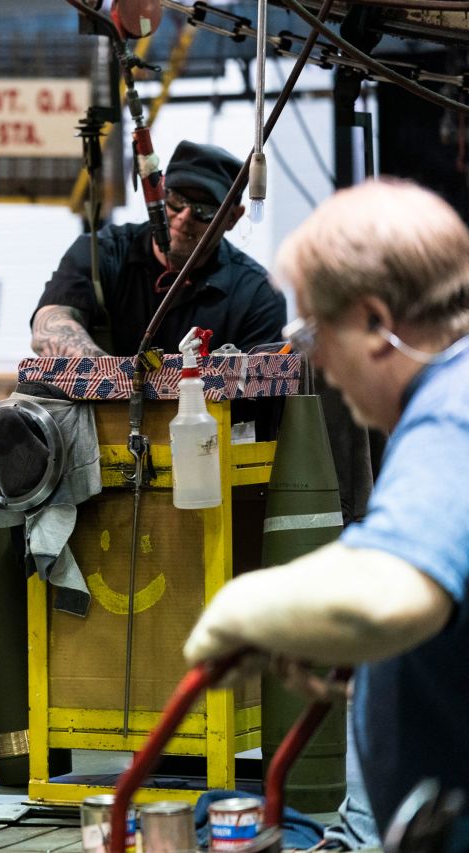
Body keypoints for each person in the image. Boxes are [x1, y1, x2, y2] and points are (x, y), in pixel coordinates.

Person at [184, 179, 469, 842]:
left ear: (373, 322)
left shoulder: (451, 414)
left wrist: (246, 607)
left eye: (312, 331)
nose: (315, 362)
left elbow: (391, 594)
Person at [30, 140, 286, 357]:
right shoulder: (101, 252)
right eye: (176, 200)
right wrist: (114, 380)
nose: (184, 216)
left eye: (204, 210)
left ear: (233, 218)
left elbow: (258, 395)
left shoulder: (257, 295)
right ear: (158, 192)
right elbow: (49, 326)